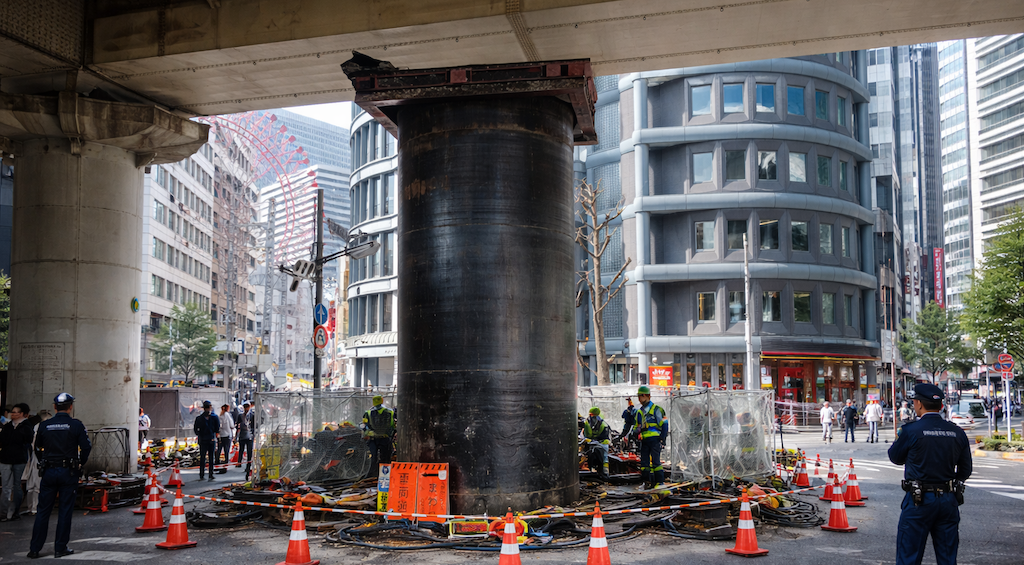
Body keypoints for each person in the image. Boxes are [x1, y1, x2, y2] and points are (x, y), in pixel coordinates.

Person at [888, 383, 972, 565]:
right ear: (941, 406)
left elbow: (895, 457)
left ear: (918, 403)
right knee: (948, 557)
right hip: (948, 500)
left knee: (908, 556)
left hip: (918, 501)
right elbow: (966, 470)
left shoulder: (910, 431)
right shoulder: (957, 432)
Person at [27, 393, 91, 559]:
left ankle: (34, 549)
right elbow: (86, 447)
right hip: (68, 472)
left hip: (48, 472)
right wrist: (79, 463)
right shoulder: (76, 425)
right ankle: (60, 548)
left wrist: (44, 462)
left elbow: (37, 447)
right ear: (70, 407)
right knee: (64, 510)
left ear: (55, 407)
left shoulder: (44, 425)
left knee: (43, 511)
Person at [0, 403, 33, 521]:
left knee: (17, 485)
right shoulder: (8, 426)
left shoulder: (27, 426)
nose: (13, 414)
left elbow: (26, 441)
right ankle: (3, 513)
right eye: (12, 412)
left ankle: (15, 512)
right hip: (5, 459)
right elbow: (3, 440)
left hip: (19, 459)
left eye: (16, 412)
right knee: (6, 486)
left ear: (23, 414)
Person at [634, 386, 668, 489]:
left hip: (655, 440)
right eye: (639, 396)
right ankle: (647, 482)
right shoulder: (639, 412)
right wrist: (635, 433)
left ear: (648, 396)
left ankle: (659, 483)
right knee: (644, 463)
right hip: (644, 440)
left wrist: (662, 439)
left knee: (656, 462)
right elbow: (637, 426)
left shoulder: (657, 410)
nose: (640, 399)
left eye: (642, 396)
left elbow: (664, 424)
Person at [22, 410, 50, 516]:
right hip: (39, 457)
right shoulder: (41, 427)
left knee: (32, 484)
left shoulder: (36, 427)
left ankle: (32, 507)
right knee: (36, 484)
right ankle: (35, 507)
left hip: (34, 457)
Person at [361, 395, 396, 476]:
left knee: (373, 458)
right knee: (385, 458)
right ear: (382, 400)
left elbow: (365, 426)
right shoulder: (390, 412)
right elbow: (393, 426)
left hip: (373, 439)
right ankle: (384, 476)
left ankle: (372, 475)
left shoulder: (368, 413)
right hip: (385, 438)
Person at [192, 400, 219, 481]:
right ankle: (208, 474)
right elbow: (217, 429)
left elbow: (195, 429)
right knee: (208, 458)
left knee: (205, 457)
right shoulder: (213, 417)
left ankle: (205, 474)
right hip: (209, 439)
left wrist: (200, 434)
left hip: (206, 439)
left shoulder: (201, 418)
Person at [582, 407, 610, 478]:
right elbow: (587, 434)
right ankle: (593, 470)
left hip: (602, 442)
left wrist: (592, 441)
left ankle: (605, 473)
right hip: (593, 442)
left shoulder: (603, 425)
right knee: (591, 454)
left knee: (604, 456)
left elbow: (604, 436)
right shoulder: (588, 423)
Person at [235, 401, 255, 468]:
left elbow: (254, 425)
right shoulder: (240, 415)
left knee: (249, 451)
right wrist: (236, 435)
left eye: (247, 407)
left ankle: (248, 465)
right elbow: (237, 425)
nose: (246, 409)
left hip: (250, 434)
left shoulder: (252, 415)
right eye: (245, 407)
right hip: (242, 434)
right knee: (241, 449)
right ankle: (239, 462)